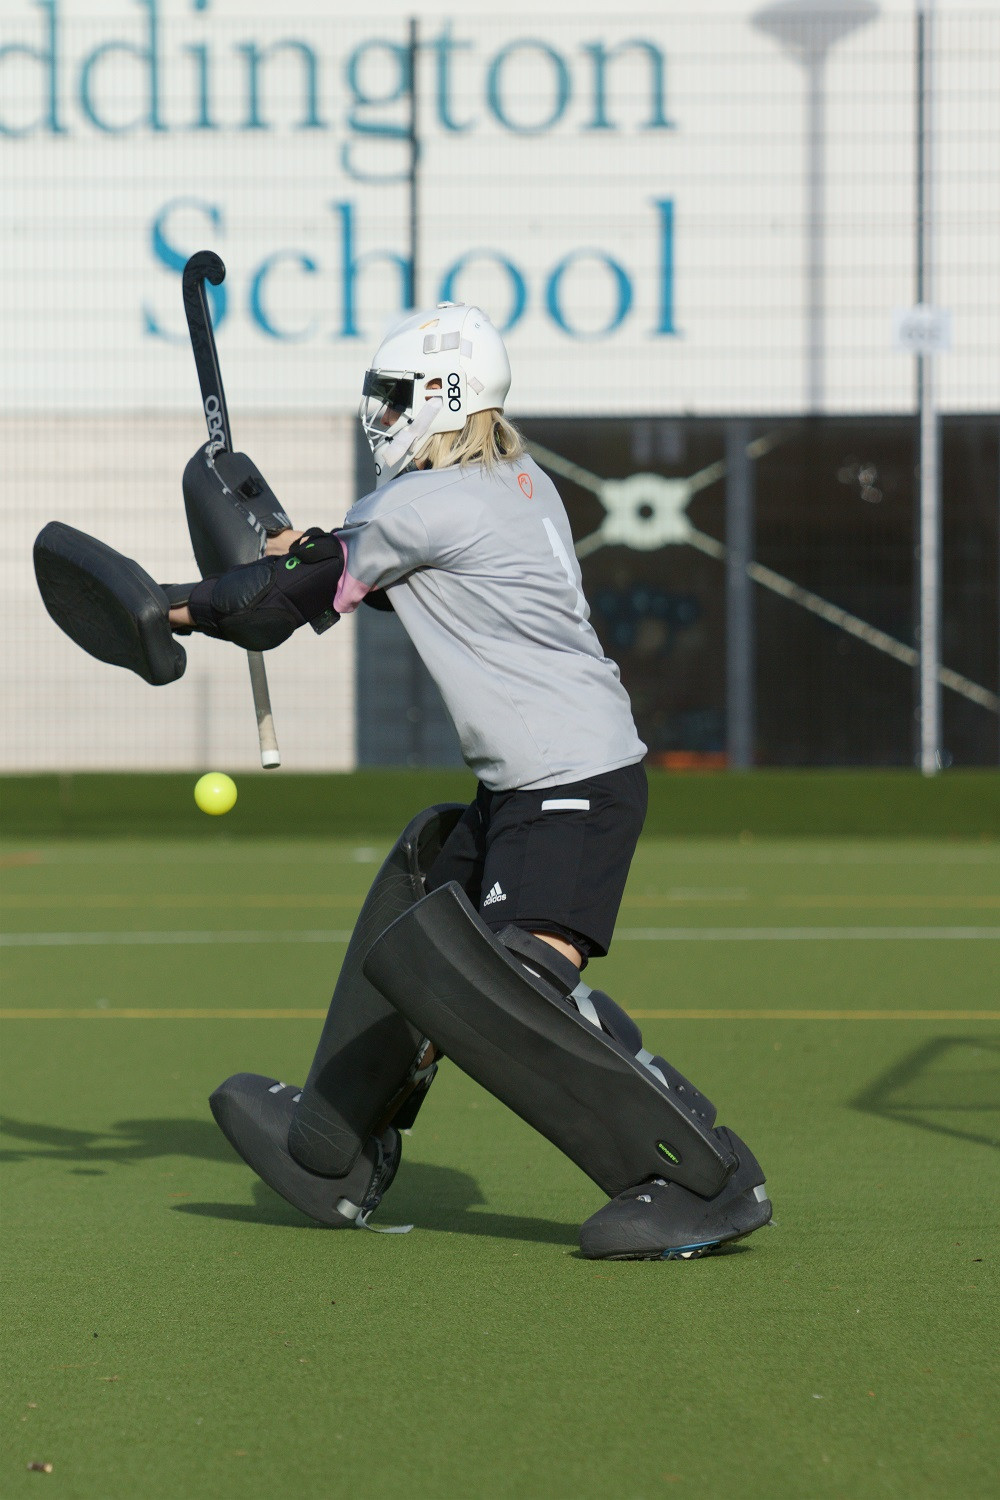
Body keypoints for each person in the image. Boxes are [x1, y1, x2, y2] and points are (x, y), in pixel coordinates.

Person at [165, 302, 772, 1258]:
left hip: (567, 785)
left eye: (393, 397)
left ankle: (701, 1177)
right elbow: (335, 569)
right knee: (426, 893)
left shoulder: (424, 505)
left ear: (443, 398)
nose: (377, 414)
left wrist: (166, 608)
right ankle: (337, 1146)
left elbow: (282, 604)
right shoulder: (511, 481)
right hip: (540, 783)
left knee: (506, 991)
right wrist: (280, 540)